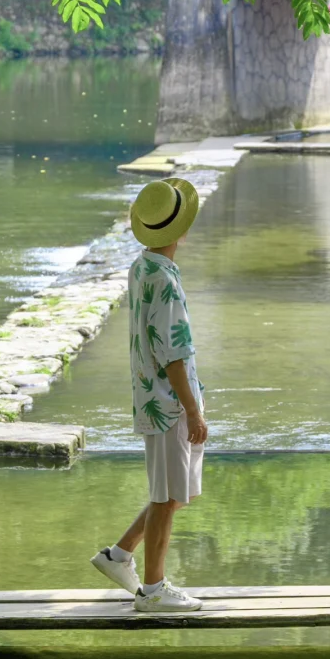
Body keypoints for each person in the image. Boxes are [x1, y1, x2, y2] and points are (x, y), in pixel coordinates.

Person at [90, 177, 206, 614]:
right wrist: (192, 410)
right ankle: (153, 590)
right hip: (170, 402)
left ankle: (119, 556)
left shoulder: (143, 266)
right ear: (182, 230)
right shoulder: (165, 279)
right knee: (166, 497)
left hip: (152, 395)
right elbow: (173, 352)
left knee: (173, 492)